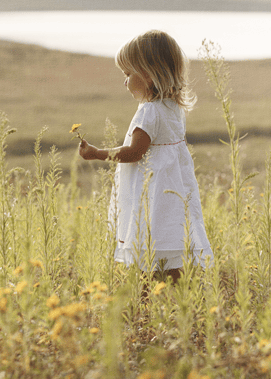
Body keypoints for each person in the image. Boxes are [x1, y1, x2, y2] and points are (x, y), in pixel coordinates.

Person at [79, 30, 213, 283]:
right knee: (172, 243)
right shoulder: (173, 108)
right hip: (173, 192)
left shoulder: (149, 112)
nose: (125, 82)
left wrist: (97, 153)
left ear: (149, 76)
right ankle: (179, 296)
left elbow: (134, 152)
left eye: (128, 75)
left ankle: (147, 305)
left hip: (151, 193)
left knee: (147, 247)